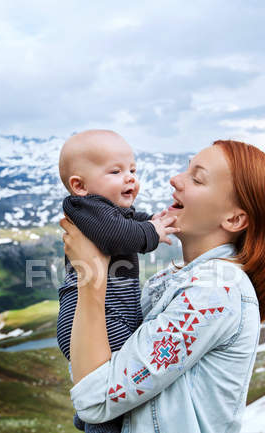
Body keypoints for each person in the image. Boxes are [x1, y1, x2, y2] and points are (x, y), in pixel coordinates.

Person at [60, 140, 265, 433]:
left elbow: (95, 400)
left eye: (196, 178)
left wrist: (90, 277)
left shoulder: (215, 292)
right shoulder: (169, 282)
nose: (175, 179)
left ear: (233, 219)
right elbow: (96, 365)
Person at [56, 129, 179, 432]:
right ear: (79, 186)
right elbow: (117, 235)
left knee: (111, 382)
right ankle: (96, 421)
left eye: (133, 170)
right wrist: (152, 233)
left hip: (111, 309)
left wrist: (154, 221)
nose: (130, 178)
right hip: (93, 312)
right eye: (116, 171)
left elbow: (130, 220)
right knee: (111, 381)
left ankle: (90, 418)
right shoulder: (84, 208)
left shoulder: (103, 209)